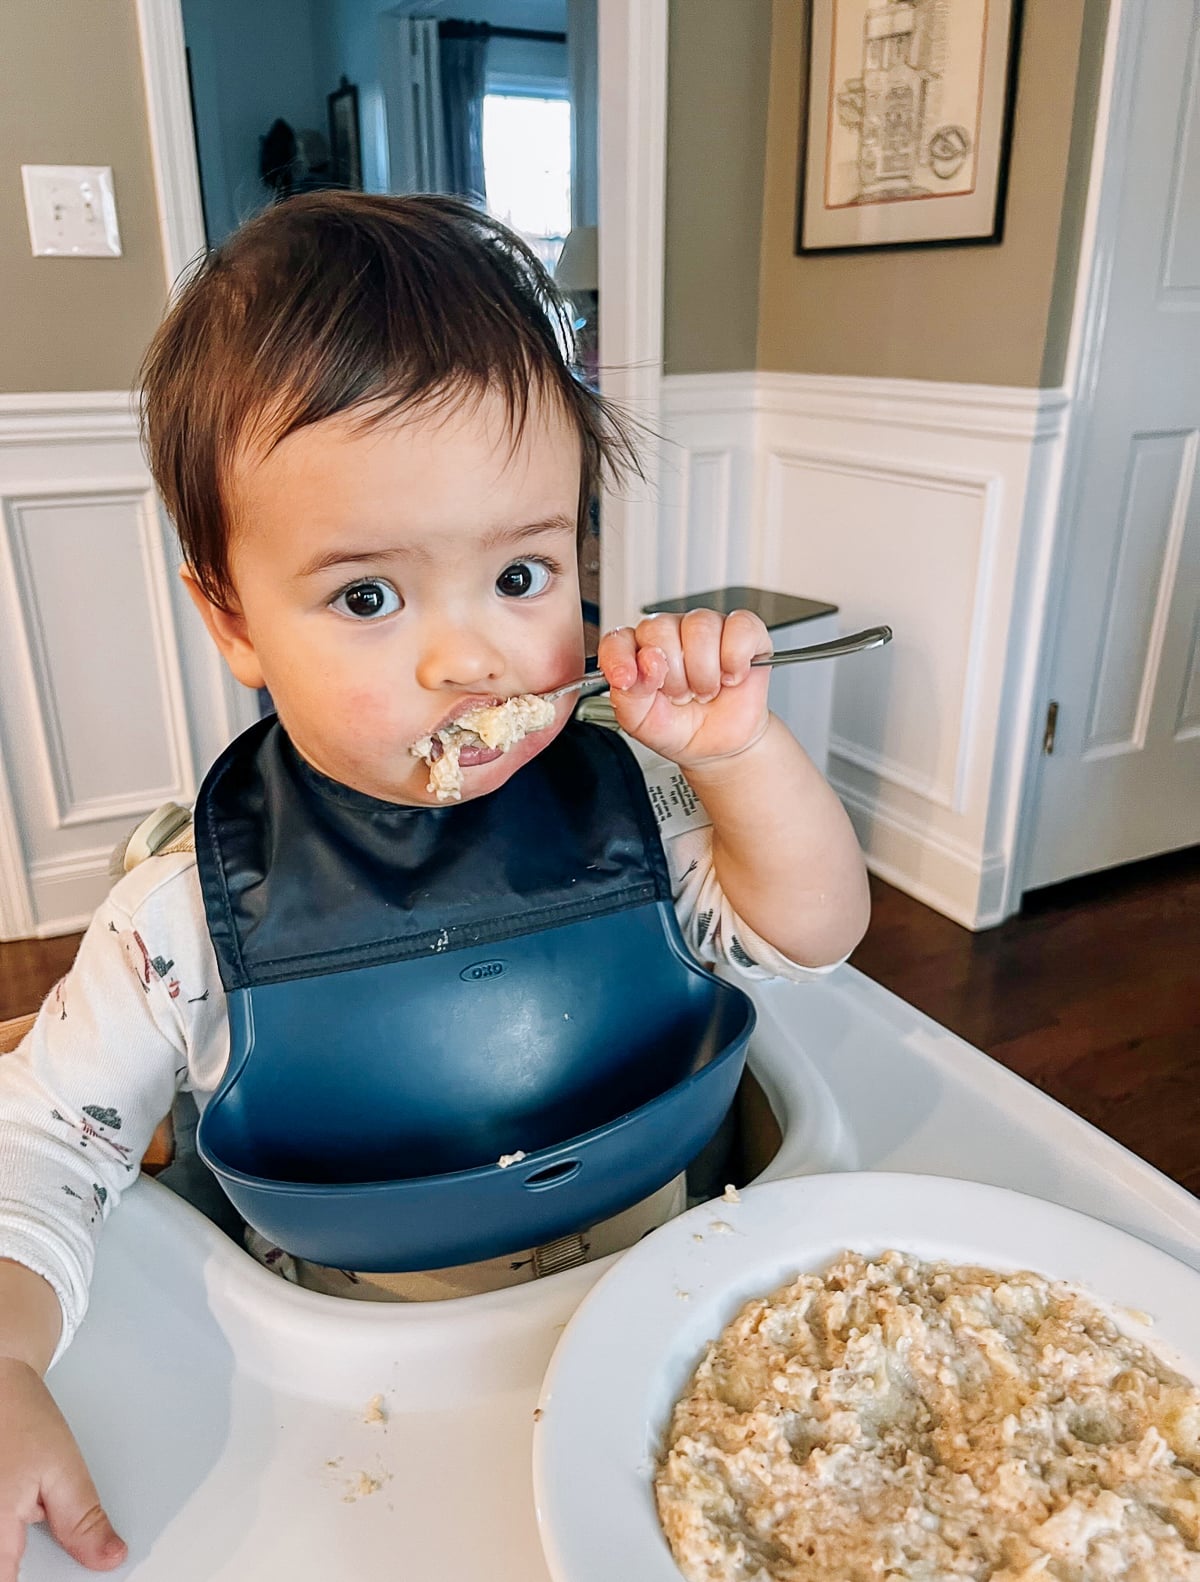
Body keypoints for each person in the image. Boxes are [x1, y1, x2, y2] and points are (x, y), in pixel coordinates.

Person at [0, 192, 869, 1576]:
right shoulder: (185, 922)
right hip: (370, 1400)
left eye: (523, 571)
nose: (473, 660)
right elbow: (41, 1140)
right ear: (230, 614)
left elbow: (810, 932)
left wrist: (744, 753)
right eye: (366, 598)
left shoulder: (630, 805)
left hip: (671, 1323)